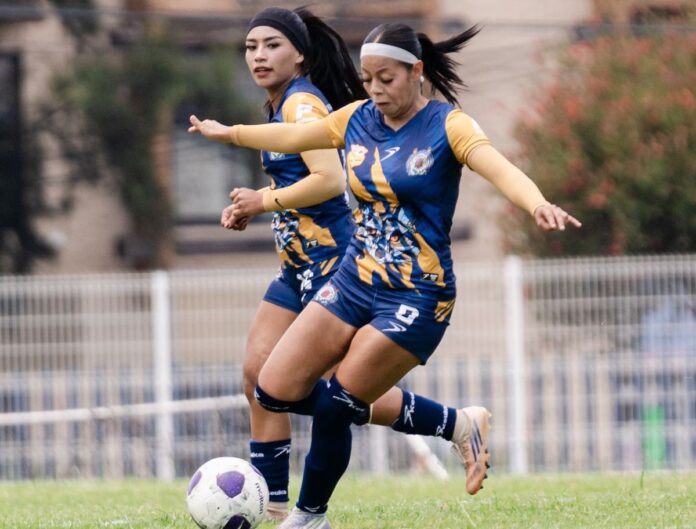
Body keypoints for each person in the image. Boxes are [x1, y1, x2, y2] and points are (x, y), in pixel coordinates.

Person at [191, 19, 582, 529]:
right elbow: (293, 136)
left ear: (416, 72)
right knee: (271, 389)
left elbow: (498, 167)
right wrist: (229, 133)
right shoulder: (356, 118)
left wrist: (537, 203)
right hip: (354, 281)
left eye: (386, 79)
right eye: (367, 79)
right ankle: (458, 424)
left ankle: (309, 516)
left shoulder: (448, 125)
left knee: (336, 404)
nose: (374, 90)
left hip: (417, 295)